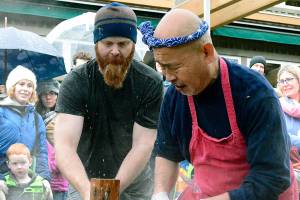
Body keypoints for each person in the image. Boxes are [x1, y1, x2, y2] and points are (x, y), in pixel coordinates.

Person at [140, 9, 298, 200]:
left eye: (174, 66)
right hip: (208, 192)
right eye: (162, 67)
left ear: (206, 52)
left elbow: (271, 178)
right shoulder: (175, 96)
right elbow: (167, 151)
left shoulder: (255, 92)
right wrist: (160, 194)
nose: (168, 77)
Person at [54, 2, 163, 200]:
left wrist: (110, 193)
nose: (115, 51)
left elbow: (143, 145)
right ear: (96, 43)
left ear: (133, 44)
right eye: (108, 44)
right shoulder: (76, 81)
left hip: (135, 184)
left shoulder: (150, 81)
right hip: (84, 179)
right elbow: (65, 146)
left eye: (122, 44)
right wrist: (89, 193)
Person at [0, 65, 50, 191]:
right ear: (12, 87)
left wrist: (43, 178)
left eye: (29, 86)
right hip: (3, 179)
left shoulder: (36, 118)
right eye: (21, 84)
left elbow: (41, 151)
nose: (25, 89)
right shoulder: (1, 112)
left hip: (27, 181)